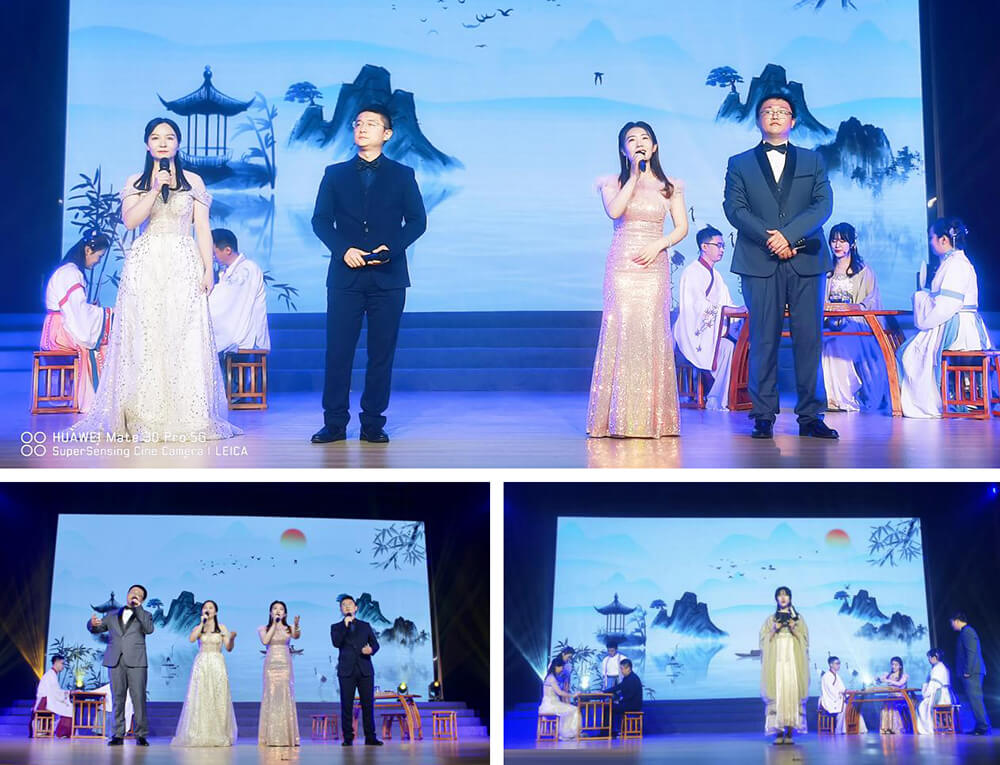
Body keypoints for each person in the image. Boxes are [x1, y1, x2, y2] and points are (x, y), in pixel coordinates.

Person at [69, 118, 239, 442]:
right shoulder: (136, 181)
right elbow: (131, 221)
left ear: (178, 143)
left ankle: (187, 415)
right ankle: (143, 414)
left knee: (183, 334)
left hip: (183, 259)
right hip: (146, 263)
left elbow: (203, 228)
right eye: (156, 137)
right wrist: (154, 189)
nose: (163, 142)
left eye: (170, 137)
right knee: (146, 337)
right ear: (147, 145)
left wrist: (209, 269)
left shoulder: (193, 181)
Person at [723, 92, 837, 440]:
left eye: (781, 111)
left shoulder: (813, 160)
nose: (774, 115)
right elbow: (735, 209)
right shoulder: (739, 163)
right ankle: (762, 415)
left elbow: (823, 205)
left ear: (793, 121)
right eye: (767, 111)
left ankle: (811, 416)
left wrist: (788, 235)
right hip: (759, 260)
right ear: (759, 119)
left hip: (807, 260)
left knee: (809, 339)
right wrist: (770, 238)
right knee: (762, 339)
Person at [311, 105, 427, 445]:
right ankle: (334, 423)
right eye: (358, 123)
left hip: (388, 277)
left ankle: (373, 423)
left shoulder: (403, 174)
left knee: (381, 353)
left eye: (371, 124)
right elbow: (320, 220)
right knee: (338, 352)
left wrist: (391, 248)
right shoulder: (334, 174)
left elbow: (418, 221)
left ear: (387, 134)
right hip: (345, 276)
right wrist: (342, 249)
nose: (362, 128)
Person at [587, 120, 688, 438]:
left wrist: (660, 244)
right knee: (622, 330)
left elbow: (682, 227)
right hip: (622, 267)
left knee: (650, 332)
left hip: (654, 266)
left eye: (645, 138)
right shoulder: (612, 183)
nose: (639, 143)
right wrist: (633, 175)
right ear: (623, 150)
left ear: (654, 147)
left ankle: (652, 420)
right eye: (631, 140)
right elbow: (615, 211)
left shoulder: (670, 186)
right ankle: (617, 419)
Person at [899, 219, 993, 418]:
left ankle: (942, 401)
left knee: (909, 353)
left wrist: (921, 298)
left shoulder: (956, 264)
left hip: (958, 326)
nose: (930, 242)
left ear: (944, 239)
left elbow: (947, 304)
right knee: (907, 351)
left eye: (932, 237)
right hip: (956, 321)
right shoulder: (952, 263)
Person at [40, 229, 113, 412]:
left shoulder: (68, 271)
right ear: (88, 250)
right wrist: (105, 314)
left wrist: (93, 311)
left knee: (99, 338)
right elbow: (77, 312)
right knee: (100, 345)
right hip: (60, 332)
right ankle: (97, 399)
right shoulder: (70, 273)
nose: (98, 261)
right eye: (99, 256)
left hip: (58, 327)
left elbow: (77, 309)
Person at [821, 223, 888, 411]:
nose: (837, 245)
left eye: (842, 241)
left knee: (840, 342)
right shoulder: (826, 271)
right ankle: (832, 397)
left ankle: (847, 397)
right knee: (826, 342)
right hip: (830, 323)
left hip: (856, 323)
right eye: (834, 240)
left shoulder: (864, 271)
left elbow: (872, 301)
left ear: (852, 244)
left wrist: (851, 308)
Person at [675, 225, 741, 409]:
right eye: (718, 245)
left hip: (710, 333)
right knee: (726, 347)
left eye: (723, 246)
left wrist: (741, 310)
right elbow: (696, 306)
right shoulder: (692, 272)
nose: (722, 249)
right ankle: (715, 399)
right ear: (704, 247)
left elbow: (727, 303)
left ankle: (722, 397)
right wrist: (726, 311)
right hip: (692, 333)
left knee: (732, 346)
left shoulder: (717, 276)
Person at [87, 584, 153, 746]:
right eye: (132, 592)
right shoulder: (112, 614)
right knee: (118, 698)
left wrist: (138, 609)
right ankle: (118, 734)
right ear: (127, 594)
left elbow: (149, 629)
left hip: (136, 661)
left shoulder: (145, 614)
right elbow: (97, 628)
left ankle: (141, 734)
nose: (134, 594)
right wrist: (92, 624)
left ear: (142, 599)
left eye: (138, 594)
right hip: (115, 659)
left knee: (138, 698)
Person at [172, 599, 238, 747]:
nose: (208, 609)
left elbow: (228, 647)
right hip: (202, 663)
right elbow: (191, 639)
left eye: (211, 607)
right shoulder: (198, 627)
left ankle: (218, 733)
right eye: (205, 607)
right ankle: (199, 733)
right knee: (200, 696)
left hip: (217, 663)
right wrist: (202, 623)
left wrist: (232, 638)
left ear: (216, 611)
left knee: (218, 697)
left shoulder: (221, 627)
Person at [208, 228, 271, 355]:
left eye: (214, 253)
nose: (213, 258)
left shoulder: (247, 269)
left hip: (248, 333)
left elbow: (227, 301)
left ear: (228, 250)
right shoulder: (229, 270)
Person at [331, 595, 383, 746]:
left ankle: (370, 737)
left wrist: (371, 650)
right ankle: (348, 737)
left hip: (365, 669)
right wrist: (345, 626)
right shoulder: (336, 627)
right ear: (341, 609)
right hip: (346, 670)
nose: (347, 606)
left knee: (368, 705)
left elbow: (376, 645)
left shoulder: (365, 626)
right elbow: (336, 643)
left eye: (350, 604)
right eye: (344, 604)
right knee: (346, 705)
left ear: (356, 608)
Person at [760, 586, 809, 745]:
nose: (783, 598)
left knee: (791, 692)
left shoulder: (798, 619)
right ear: (776, 599)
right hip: (777, 661)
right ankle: (778, 732)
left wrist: (794, 630)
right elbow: (763, 641)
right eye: (780, 595)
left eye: (786, 595)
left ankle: (789, 732)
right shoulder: (770, 620)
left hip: (793, 661)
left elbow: (805, 641)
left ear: (790, 598)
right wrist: (774, 630)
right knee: (778, 692)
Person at [258, 600, 301, 747]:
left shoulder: (289, 628)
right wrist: (274, 625)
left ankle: (286, 736)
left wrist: (296, 625)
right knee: (271, 694)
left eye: (281, 609)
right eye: (275, 608)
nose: (278, 611)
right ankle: (270, 736)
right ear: (270, 613)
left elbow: (296, 636)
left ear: (285, 613)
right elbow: (265, 641)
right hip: (271, 664)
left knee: (285, 694)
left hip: (285, 664)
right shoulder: (263, 628)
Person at [951, 611, 991, 734]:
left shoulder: (968, 632)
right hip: (971, 672)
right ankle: (981, 726)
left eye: (952, 622)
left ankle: (983, 727)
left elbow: (971, 652)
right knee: (974, 701)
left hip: (972, 673)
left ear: (957, 621)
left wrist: (967, 671)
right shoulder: (965, 632)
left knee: (976, 700)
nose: (952, 625)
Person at [819, 656, 866, 733]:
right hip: (830, 699)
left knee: (854, 708)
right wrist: (844, 693)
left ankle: (858, 728)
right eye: (837, 663)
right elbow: (831, 690)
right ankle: (840, 730)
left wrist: (847, 692)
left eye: (839, 663)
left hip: (838, 698)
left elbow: (842, 688)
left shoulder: (836, 675)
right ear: (831, 664)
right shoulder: (827, 676)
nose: (839, 665)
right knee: (844, 707)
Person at [538, 658, 580, 740]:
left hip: (553, 704)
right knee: (574, 709)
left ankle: (568, 732)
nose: (562, 669)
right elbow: (559, 692)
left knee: (571, 709)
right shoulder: (551, 678)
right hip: (550, 705)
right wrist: (573, 695)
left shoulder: (553, 677)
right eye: (561, 667)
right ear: (556, 667)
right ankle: (567, 733)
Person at [34, 655, 73, 738]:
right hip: (45, 702)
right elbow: (56, 693)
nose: (63, 666)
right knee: (68, 707)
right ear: (56, 662)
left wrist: (66, 693)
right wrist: (69, 692)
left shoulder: (51, 674)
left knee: (68, 707)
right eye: (62, 663)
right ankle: (62, 733)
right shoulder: (50, 675)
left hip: (49, 699)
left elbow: (55, 692)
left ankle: (62, 732)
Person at [916, 648, 953, 735]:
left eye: (929, 657)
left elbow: (933, 686)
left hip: (940, 696)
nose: (929, 660)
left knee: (922, 706)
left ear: (934, 657)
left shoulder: (937, 669)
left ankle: (932, 727)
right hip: (946, 695)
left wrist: (925, 693)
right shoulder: (943, 667)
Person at [610, 658, 643, 737]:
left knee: (609, 707)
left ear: (628, 668)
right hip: (629, 704)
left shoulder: (632, 679)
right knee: (610, 706)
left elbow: (630, 695)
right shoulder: (628, 678)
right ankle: (611, 731)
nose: (621, 671)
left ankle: (608, 732)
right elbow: (619, 687)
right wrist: (604, 691)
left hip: (632, 705)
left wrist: (619, 701)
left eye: (622, 669)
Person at [876, 656, 909, 734]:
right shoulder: (888, 674)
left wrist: (888, 680)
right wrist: (878, 679)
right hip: (890, 697)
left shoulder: (904, 675)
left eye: (896, 665)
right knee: (885, 706)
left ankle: (897, 728)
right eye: (892, 664)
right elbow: (880, 681)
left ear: (900, 666)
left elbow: (900, 684)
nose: (893, 666)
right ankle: (887, 728)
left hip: (899, 698)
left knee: (894, 706)